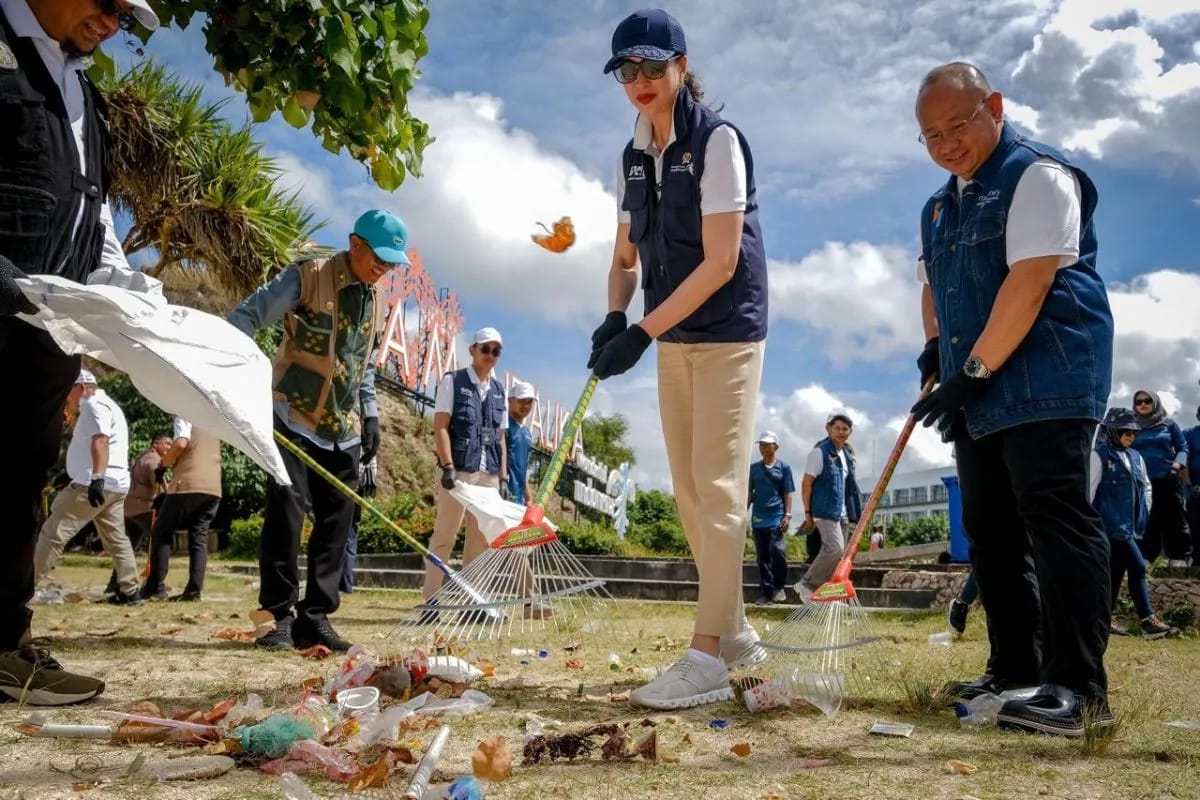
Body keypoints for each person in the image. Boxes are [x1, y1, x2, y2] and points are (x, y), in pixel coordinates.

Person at [911, 62, 1115, 737]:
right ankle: (1014, 668)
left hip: (1049, 376)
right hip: (977, 379)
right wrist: (934, 351)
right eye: (931, 136)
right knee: (990, 532)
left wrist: (971, 367)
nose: (947, 145)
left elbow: (1029, 281)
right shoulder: (939, 206)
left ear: (993, 107)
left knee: (1054, 519)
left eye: (957, 126)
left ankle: (1077, 688)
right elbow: (934, 287)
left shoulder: (1037, 175)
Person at [588, 8, 769, 710]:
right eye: (626, 70)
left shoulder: (718, 141)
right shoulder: (632, 155)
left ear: (682, 68)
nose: (640, 81)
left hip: (727, 330)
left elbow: (722, 263)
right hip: (673, 336)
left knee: (720, 489)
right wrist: (614, 314)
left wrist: (641, 332)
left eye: (653, 67)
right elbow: (625, 256)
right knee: (691, 494)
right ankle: (739, 636)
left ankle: (705, 656)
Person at [0, 0, 161, 705]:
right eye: (106, 4)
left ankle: (5, 648)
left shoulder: (83, 92)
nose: (112, 24)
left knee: (13, 478)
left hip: (46, 326)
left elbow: (91, 209)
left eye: (126, 17)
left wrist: (119, 283)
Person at [227, 209, 401, 651]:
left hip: (344, 428)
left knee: (337, 525)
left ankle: (315, 617)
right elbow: (246, 317)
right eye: (379, 257)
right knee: (286, 514)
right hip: (293, 416)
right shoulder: (309, 275)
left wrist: (371, 413)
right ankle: (277, 616)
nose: (384, 268)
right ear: (355, 244)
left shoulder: (376, 298)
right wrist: (241, 377)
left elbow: (362, 364)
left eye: (392, 262)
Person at [34, 368, 141, 605]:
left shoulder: (92, 405)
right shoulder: (110, 405)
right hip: (116, 485)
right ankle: (131, 591)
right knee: (116, 539)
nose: (67, 399)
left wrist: (96, 478)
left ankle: (25, 586)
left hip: (93, 484)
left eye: (68, 392)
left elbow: (100, 440)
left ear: (81, 388)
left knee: (52, 533)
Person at [424, 327, 508, 599]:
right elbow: (441, 427)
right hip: (459, 470)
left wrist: (503, 478)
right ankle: (431, 599)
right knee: (445, 536)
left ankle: (472, 601)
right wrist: (447, 466)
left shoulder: (499, 390)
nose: (491, 355)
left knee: (481, 540)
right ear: (472, 349)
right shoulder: (453, 381)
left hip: (489, 474)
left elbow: (500, 438)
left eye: (496, 350)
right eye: (485, 348)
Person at [1091, 408, 1176, 640]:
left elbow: (1146, 487)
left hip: (1132, 526)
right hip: (1108, 526)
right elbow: (1088, 491)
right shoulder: (1099, 456)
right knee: (1138, 566)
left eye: (1133, 432)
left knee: (1116, 573)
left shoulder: (1136, 457)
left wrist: (1144, 514)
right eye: (1124, 431)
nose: (1130, 436)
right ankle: (1148, 619)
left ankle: (1103, 621)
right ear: (1112, 431)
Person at [142, 417, 222, 602]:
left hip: (187, 484)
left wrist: (163, 465)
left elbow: (180, 443)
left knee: (162, 532)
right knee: (198, 539)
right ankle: (193, 592)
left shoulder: (185, 411)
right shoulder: (212, 421)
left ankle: (155, 587)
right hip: (213, 488)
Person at [796, 414, 862, 599]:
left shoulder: (847, 457)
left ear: (850, 432)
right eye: (837, 428)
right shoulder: (819, 453)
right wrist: (808, 512)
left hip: (842, 513)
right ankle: (807, 584)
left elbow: (849, 487)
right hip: (824, 510)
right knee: (834, 548)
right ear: (829, 429)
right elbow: (806, 484)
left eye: (845, 429)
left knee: (839, 556)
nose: (841, 432)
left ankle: (824, 594)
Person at [1129, 390, 1190, 567]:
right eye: (1139, 402)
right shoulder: (1131, 425)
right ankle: (1146, 555)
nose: (1143, 404)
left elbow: (1183, 447)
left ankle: (1178, 556)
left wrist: (1176, 466)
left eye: (1147, 400)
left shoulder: (1168, 424)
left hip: (1168, 478)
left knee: (1174, 516)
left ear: (1155, 402)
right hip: (1141, 480)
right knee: (1147, 517)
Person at [746, 431, 794, 604]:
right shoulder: (753, 469)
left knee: (777, 550)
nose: (763, 448)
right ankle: (765, 592)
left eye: (767, 444)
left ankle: (778, 587)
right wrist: (742, 512)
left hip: (776, 516)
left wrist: (787, 515)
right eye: (761, 445)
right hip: (759, 516)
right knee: (762, 556)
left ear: (775, 446)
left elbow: (788, 492)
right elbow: (749, 494)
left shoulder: (784, 468)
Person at [340, 456, 376, 595]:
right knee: (351, 535)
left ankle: (339, 583)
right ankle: (346, 584)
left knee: (341, 534)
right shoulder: (370, 435)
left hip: (344, 482)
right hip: (359, 485)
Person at [505, 380, 537, 505]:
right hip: (502, 493)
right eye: (522, 400)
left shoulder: (527, 433)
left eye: (529, 401)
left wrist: (527, 495)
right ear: (510, 400)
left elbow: (521, 467)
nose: (526, 405)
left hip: (518, 498)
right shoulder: (503, 427)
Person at [1184, 405, 1200, 561]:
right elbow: (1184, 461)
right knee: (1196, 529)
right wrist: (1188, 484)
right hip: (1196, 489)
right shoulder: (1189, 434)